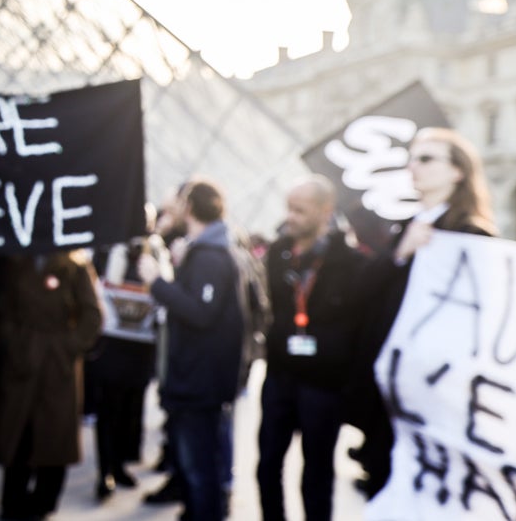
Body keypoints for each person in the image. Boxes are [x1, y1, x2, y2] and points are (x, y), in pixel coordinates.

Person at [349, 127, 497, 498]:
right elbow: (363, 292)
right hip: (387, 390)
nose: (414, 166)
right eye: (412, 158)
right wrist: (401, 254)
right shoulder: (406, 226)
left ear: (457, 172)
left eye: (426, 159)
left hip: (435, 394)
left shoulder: (473, 234)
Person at [256, 176, 370, 521]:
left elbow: (359, 322)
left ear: (325, 212)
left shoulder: (350, 262)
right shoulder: (279, 253)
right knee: (267, 465)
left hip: (324, 384)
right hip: (279, 376)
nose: (290, 217)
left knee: (317, 472)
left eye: (299, 210)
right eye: (288, 208)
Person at [138, 178, 243, 521]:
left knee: (201, 469)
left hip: (200, 383)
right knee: (195, 465)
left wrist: (157, 283)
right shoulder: (203, 252)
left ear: (190, 206)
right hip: (195, 379)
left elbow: (201, 312)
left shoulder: (211, 257)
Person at [0, 250, 103, 520]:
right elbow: (4, 309)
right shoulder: (18, 261)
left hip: (58, 367)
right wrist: (16, 344)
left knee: (55, 435)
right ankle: (12, 500)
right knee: (19, 432)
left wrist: (68, 347)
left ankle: (44, 500)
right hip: (24, 362)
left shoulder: (76, 267)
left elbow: (92, 316)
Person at [89, 214, 169, 501]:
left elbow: (166, 286)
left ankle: (120, 464)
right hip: (112, 342)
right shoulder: (109, 246)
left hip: (141, 345)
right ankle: (105, 471)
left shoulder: (157, 250)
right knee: (108, 408)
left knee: (130, 408)